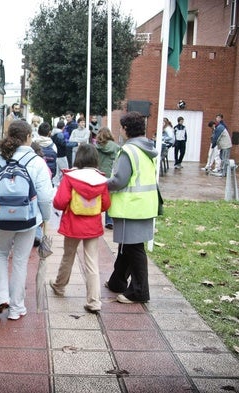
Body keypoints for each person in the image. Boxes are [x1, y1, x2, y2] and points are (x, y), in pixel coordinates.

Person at [0, 120, 54, 320]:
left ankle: (0, 298)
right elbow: (46, 197)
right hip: (28, 220)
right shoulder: (36, 162)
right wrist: (44, 218)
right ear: (28, 137)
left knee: (2, 255)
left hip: (2, 219)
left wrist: (0, 207)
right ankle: (16, 308)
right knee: (20, 260)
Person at [49, 144, 111, 313]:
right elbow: (105, 205)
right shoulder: (101, 179)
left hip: (73, 224)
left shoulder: (70, 177)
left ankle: (59, 286)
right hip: (92, 225)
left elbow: (59, 202)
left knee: (68, 256)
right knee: (92, 262)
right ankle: (94, 301)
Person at [105, 111, 158, 304]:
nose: (120, 130)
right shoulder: (146, 148)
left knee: (134, 249)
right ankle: (117, 281)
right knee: (128, 246)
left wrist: (102, 183)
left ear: (126, 129)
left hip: (132, 206)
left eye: (121, 127)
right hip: (144, 205)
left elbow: (119, 180)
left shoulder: (129, 150)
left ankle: (139, 292)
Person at [95, 127, 120, 229]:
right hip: (110, 175)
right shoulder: (115, 147)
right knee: (108, 198)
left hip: (97, 174)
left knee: (96, 199)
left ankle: (95, 220)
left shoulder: (95, 147)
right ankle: (109, 221)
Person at [51, 120, 78, 186]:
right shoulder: (60, 134)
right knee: (65, 171)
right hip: (61, 156)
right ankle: (63, 185)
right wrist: (76, 144)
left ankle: (56, 186)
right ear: (63, 127)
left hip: (55, 156)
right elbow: (64, 144)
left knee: (57, 173)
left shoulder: (53, 134)